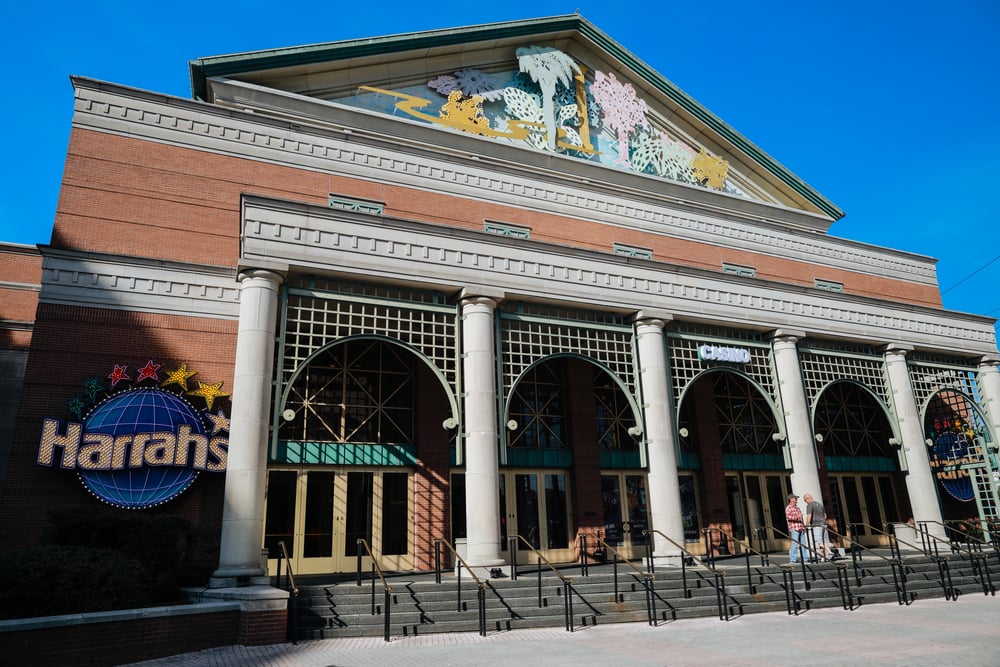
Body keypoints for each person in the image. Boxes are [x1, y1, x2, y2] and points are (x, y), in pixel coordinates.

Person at [803, 493, 833, 561]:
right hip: (824, 524)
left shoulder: (809, 505)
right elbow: (825, 515)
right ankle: (823, 557)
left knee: (819, 541)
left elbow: (809, 516)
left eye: (805, 500)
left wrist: (806, 525)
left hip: (817, 525)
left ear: (807, 499)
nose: (805, 502)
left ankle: (830, 552)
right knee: (823, 542)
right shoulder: (820, 504)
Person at [785, 493, 805, 563]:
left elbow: (801, 517)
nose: (796, 500)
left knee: (803, 544)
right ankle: (793, 559)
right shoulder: (788, 507)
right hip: (794, 528)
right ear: (791, 499)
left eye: (796, 498)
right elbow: (788, 517)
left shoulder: (797, 508)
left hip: (801, 527)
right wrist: (797, 517)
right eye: (795, 498)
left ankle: (805, 558)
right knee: (795, 544)